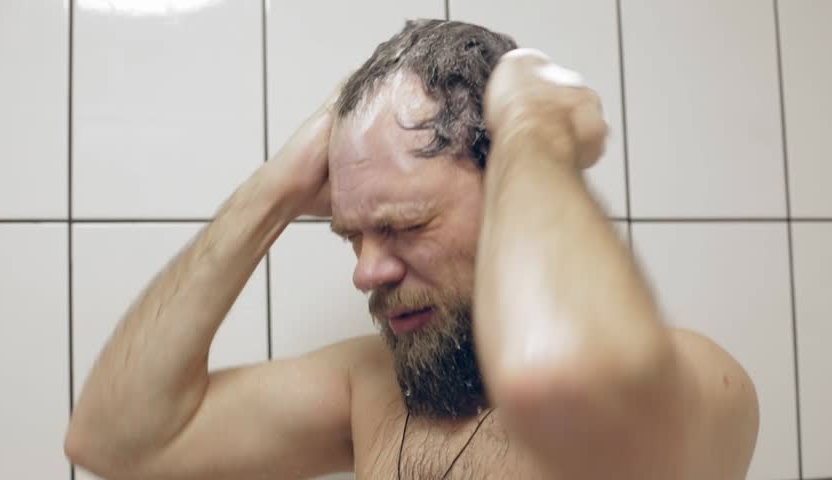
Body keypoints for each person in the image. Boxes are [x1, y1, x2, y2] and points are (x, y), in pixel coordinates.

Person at [65, 19, 759, 479]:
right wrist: (278, 187)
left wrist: (533, 129)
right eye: (352, 236)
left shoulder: (701, 383)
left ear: (507, 185)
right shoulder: (371, 387)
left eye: (404, 226)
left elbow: (559, 378)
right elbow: (114, 437)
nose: (367, 272)